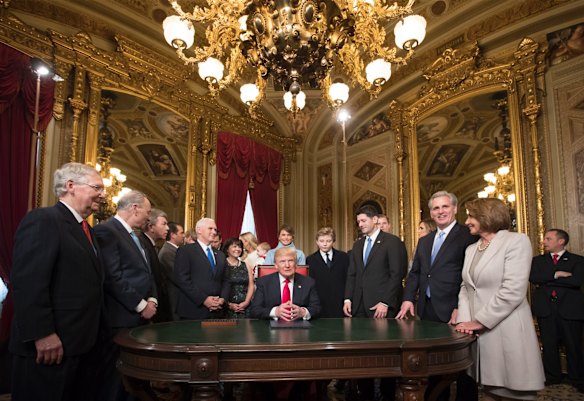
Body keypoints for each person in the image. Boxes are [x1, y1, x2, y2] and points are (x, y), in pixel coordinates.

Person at [10, 162, 105, 401]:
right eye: (97, 187)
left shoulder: (87, 230)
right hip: (50, 347)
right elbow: (28, 282)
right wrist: (42, 334)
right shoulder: (44, 220)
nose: (103, 195)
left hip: (80, 344)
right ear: (71, 186)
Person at [456, 198, 544, 401]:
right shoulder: (471, 249)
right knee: (490, 391)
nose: (467, 221)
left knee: (515, 391)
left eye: (471, 216)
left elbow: (513, 290)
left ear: (486, 216)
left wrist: (479, 321)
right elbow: (465, 287)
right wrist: (465, 321)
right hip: (480, 334)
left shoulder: (517, 241)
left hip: (507, 328)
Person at [396, 191, 478, 401]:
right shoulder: (425, 241)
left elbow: (469, 275)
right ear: (431, 213)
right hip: (427, 308)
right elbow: (416, 273)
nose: (440, 212)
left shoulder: (467, 235)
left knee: (462, 364)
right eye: (436, 208)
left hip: (456, 308)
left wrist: (462, 307)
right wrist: (407, 299)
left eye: (445, 207)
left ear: (455, 209)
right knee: (433, 362)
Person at [94, 190, 157, 401]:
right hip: (120, 316)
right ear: (135, 208)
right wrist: (141, 305)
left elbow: (147, 273)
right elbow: (112, 277)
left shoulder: (135, 236)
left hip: (138, 316)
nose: (148, 217)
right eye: (147, 212)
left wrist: (152, 299)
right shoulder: (106, 231)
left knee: (134, 376)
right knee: (115, 378)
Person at [344, 204, 408, 401]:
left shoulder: (392, 242)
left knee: (386, 356)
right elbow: (352, 274)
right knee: (362, 356)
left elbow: (397, 274)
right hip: (360, 309)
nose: (360, 225)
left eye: (363, 221)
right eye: (358, 222)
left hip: (381, 308)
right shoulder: (357, 245)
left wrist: (385, 302)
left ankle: (388, 395)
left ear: (374, 220)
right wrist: (348, 298)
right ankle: (366, 395)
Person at [530, 229, 584, 391]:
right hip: (546, 309)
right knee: (549, 345)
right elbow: (533, 278)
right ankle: (552, 377)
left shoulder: (578, 260)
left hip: (570, 310)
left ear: (561, 241)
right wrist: (557, 274)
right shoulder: (537, 261)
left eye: (548, 238)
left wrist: (548, 280)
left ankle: (577, 378)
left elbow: (576, 281)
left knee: (574, 345)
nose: (544, 241)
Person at [174, 217, 229, 319]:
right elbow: (182, 280)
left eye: (215, 229)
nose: (214, 232)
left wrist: (222, 299)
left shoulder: (221, 255)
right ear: (199, 230)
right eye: (210, 228)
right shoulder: (185, 251)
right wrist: (204, 299)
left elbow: (226, 280)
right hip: (193, 310)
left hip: (217, 311)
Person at [250, 246, 320, 320]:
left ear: (296, 264)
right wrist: (275, 312)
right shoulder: (263, 282)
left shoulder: (308, 282)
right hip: (271, 328)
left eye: (290, 261)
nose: (287, 265)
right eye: (282, 261)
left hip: (300, 327)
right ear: (276, 265)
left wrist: (303, 312)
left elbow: (317, 308)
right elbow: (255, 310)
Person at [306, 227, 349, 318]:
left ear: (333, 241)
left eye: (328, 241)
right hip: (319, 302)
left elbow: (348, 279)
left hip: (339, 301)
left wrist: (347, 299)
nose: (325, 244)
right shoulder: (310, 260)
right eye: (321, 241)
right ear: (317, 241)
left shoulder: (344, 257)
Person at [140, 208, 170, 322]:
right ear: (151, 227)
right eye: (164, 224)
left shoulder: (152, 246)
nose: (167, 228)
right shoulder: (142, 244)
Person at [221, 237, 254, 318]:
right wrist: (229, 305)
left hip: (246, 307)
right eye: (234, 246)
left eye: (239, 247)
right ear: (227, 249)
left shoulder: (246, 265)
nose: (238, 249)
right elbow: (218, 286)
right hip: (226, 308)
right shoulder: (221, 265)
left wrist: (246, 302)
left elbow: (251, 285)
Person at [158, 221, 185, 321]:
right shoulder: (167, 253)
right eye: (181, 233)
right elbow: (178, 276)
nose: (183, 236)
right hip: (174, 298)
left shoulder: (175, 250)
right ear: (173, 235)